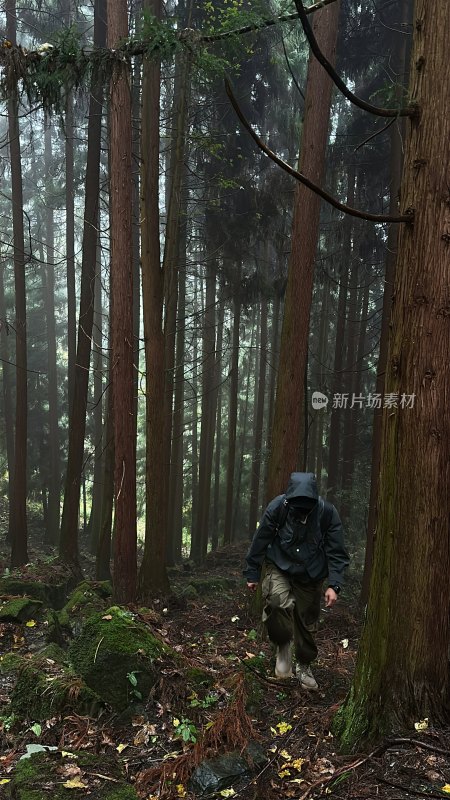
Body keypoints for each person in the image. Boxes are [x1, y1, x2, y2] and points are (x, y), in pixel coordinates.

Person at [244, 472, 349, 691]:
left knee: (307, 620)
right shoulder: (278, 507)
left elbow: (337, 552)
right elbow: (261, 538)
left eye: (306, 504)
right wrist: (252, 571)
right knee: (275, 601)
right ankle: (282, 645)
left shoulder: (327, 514)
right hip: (280, 564)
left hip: (311, 574)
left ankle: (304, 664)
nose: (301, 508)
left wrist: (334, 584)